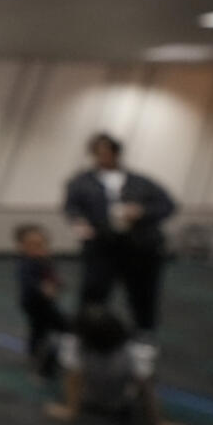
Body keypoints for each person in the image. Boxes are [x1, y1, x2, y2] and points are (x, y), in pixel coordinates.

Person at [64, 133, 175, 337]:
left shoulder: (141, 182)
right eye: (99, 153)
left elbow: (167, 205)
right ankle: (86, 337)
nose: (104, 157)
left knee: (143, 295)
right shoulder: (81, 182)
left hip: (140, 248)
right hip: (101, 247)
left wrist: (141, 212)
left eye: (108, 152)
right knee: (93, 292)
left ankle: (143, 337)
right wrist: (79, 222)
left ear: (117, 153)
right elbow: (72, 207)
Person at [45, 305, 190, 425]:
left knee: (55, 343)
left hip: (88, 399)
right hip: (119, 402)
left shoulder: (75, 345)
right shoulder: (135, 351)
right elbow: (147, 389)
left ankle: (41, 375)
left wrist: (70, 410)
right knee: (146, 375)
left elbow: (74, 377)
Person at [15, 223, 68, 376]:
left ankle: (42, 356)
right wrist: (42, 288)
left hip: (46, 304)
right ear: (23, 247)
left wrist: (57, 285)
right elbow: (29, 282)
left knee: (46, 329)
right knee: (40, 331)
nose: (38, 249)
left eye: (41, 244)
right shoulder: (25, 264)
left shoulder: (46, 261)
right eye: (33, 245)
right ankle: (40, 360)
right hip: (33, 304)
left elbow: (55, 277)